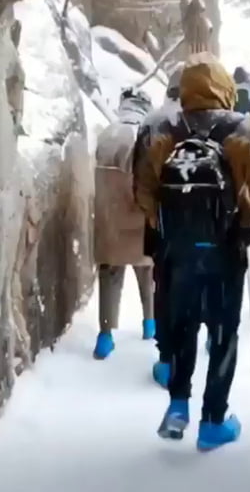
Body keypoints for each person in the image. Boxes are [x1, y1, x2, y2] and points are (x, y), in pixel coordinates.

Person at [133, 56, 250, 451]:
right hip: (224, 249)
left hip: (176, 252)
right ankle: (213, 421)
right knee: (222, 332)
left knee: (182, 326)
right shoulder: (241, 131)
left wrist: (166, 225)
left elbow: (143, 190)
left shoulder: (161, 129)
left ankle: (178, 405)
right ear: (224, 87)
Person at [93, 87, 155, 359]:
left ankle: (104, 337)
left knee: (109, 276)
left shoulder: (107, 133)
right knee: (148, 273)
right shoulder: (143, 136)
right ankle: (150, 325)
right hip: (138, 222)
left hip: (108, 222)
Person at [133, 64, 184, 389]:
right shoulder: (213, 120)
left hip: (164, 224)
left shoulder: (151, 121)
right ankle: (208, 342)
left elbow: (139, 179)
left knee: (166, 290)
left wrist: (151, 215)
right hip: (206, 224)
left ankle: (168, 362)